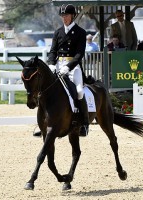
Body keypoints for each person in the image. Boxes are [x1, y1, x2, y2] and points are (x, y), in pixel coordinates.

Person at [45, 4, 89, 137]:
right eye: (63, 16)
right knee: (47, 90)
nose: (64, 18)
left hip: (73, 67)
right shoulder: (58, 32)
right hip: (58, 65)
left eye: (67, 16)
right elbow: (52, 51)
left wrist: (68, 67)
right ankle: (43, 122)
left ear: (73, 16)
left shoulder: (80, 32)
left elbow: (79, 54)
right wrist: (51, 64)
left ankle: (84, 124)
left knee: (80, 92)